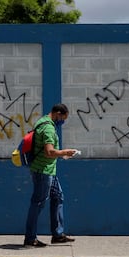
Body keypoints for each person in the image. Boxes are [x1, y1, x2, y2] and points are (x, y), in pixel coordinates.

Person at [24, 103, 78, 247]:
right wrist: (64, 152)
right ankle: (30, 238)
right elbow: (49, 152)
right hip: (43, 171)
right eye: (63, 119)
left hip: (49, 170)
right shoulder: (47, 127)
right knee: (38, 203)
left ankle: (58, 234)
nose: (62, 122)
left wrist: (61, 155)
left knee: (58, 197)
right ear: (58, 114)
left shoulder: (43, 122)